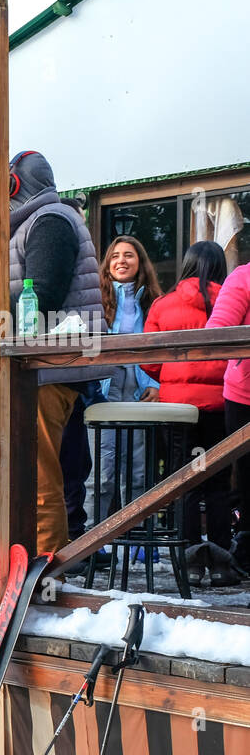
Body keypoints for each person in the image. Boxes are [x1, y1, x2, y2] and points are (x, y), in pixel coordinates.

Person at [5, 150, 110, 557]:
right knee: (36, 468)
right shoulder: (46, 219)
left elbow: (41, 293)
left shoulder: (49, 221)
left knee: (38, 472)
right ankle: (38, 556)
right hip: (46, 365)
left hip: (50, 367)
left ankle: (45, 563)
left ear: (15, 185)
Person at [143, 241, 230, 555]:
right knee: (219, 479)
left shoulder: (163, 304)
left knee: (184, 478)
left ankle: (187, 554)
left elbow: (147, 359)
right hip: (222, 403)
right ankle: (221, 555)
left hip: (177, 406)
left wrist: (171, 380)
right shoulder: (233, 301)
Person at [88, 234, 164, 525]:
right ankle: (93, 541)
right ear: (107, 264)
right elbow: (86, 345)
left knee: (138, 473)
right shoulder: (95, 300)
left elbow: (162, 349)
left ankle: (139, 540)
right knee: (101, 473)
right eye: (116, 255)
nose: (122, 260)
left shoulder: (154, 301)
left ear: (140, 262)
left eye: (129, 255)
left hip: (140, 395)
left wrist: (156, 386)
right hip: (103, 394)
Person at [204, 253, 250, 569]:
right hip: (245, 393)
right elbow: (216, 332)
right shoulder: (243, 277)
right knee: (247, 476)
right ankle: (246, 547)